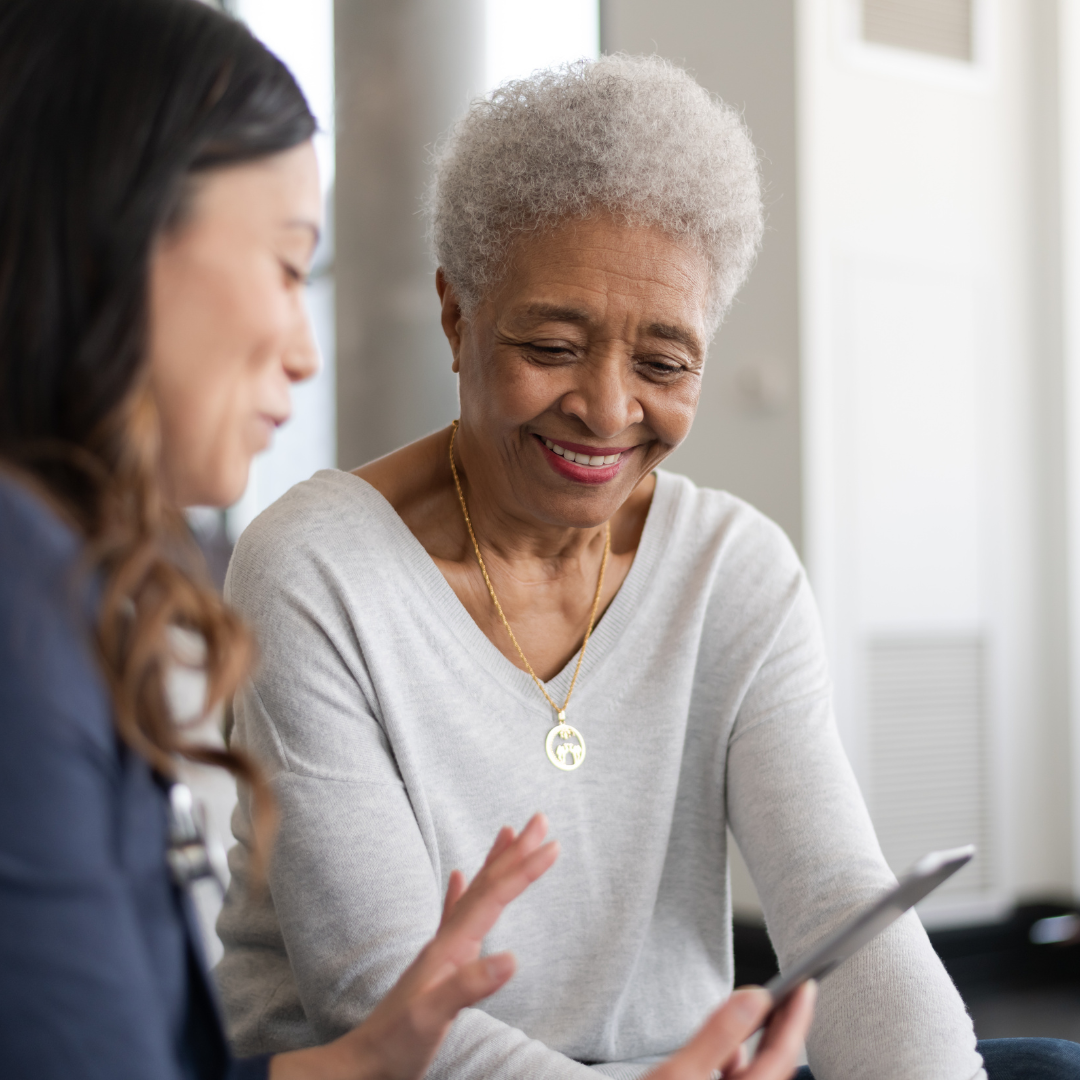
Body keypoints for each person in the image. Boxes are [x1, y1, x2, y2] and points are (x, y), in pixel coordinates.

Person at [215, 54, 1080, 1080]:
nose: (609, 409)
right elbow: (385, 996)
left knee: (1035, 1068)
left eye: (664, 363)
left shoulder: (734, 570)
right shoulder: (316, 569)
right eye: (551, 344)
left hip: (678, 1069)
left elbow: (837, 902)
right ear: (457, 315)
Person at [0, 2, 815, 1078]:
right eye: (290, 268)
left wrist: (367, 1060)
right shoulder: (34, 605)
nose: (305, 350)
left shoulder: (65, 583)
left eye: (663, 363)